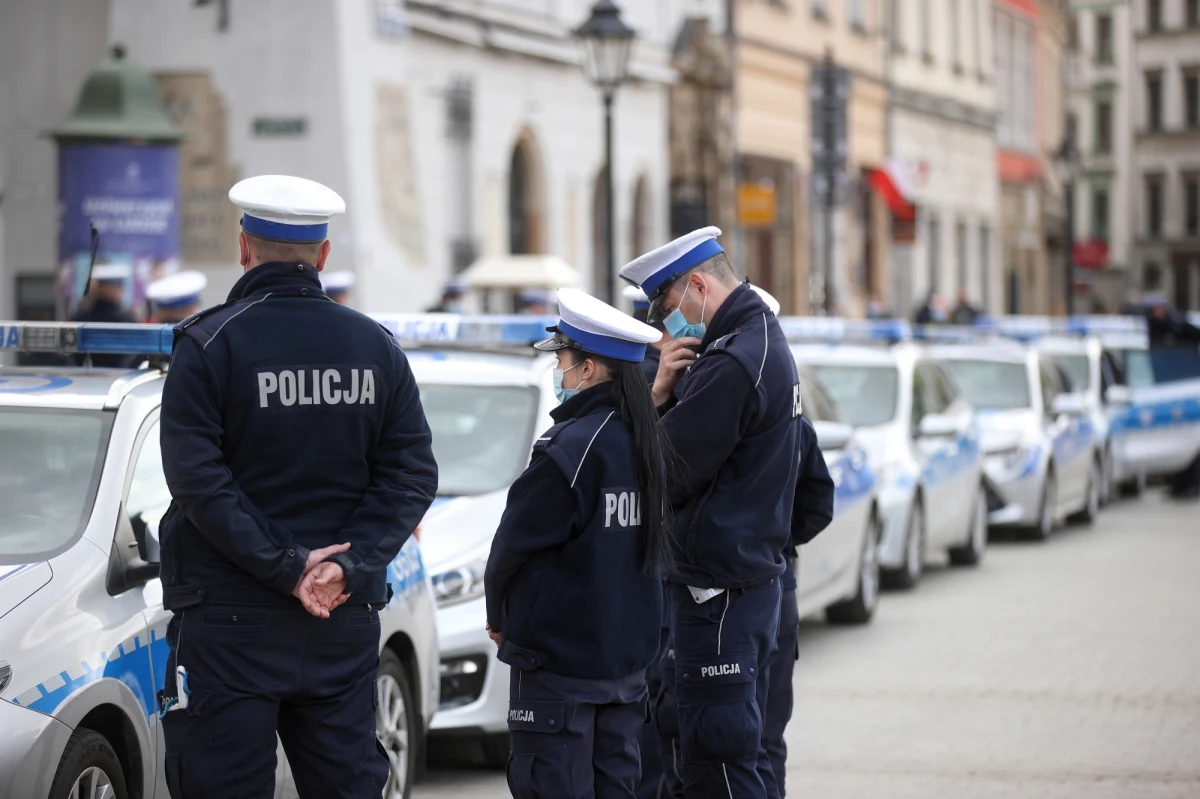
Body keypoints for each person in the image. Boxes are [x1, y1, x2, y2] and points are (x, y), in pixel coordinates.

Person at [156, 174, 439, 799]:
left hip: (232, 617)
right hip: (341, 616)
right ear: (324, 255)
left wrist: (287, 566)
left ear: (243, 248)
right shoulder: (377, 347)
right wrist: (347, 566)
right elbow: (413, 474)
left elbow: (198, 480)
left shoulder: (208, 345)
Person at [620, 226, 803, 799]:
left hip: (717, 595)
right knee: (734, 754)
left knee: (716, 763)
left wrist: (654, 398)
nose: (668, 325)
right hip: (748, 583)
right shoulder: (762, 339)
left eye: (669, 308)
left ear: (697, 285)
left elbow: (660, 471)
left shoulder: (732, 362)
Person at [483, 288, 671, 798]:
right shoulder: (648, 441)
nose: (559, 373)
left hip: (559, 672)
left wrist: (500, 619)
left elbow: (510, 549)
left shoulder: (571, 448)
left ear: (588, 370)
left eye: (563, 361)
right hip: (625, 672)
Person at [766, 413, 834, 797]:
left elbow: (819, 504)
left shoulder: (704, 413)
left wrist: (771, 541)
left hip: (748, 590)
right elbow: (819, 505)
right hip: (778, 583)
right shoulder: (792, 419)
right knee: (767, 739)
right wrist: (778, 541)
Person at [69, 263, 142, 368]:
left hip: (84, 380)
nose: (121, 292)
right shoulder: (127, 321)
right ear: (109, 289)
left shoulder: (80, 318)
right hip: (120, 380)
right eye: (119, 288)